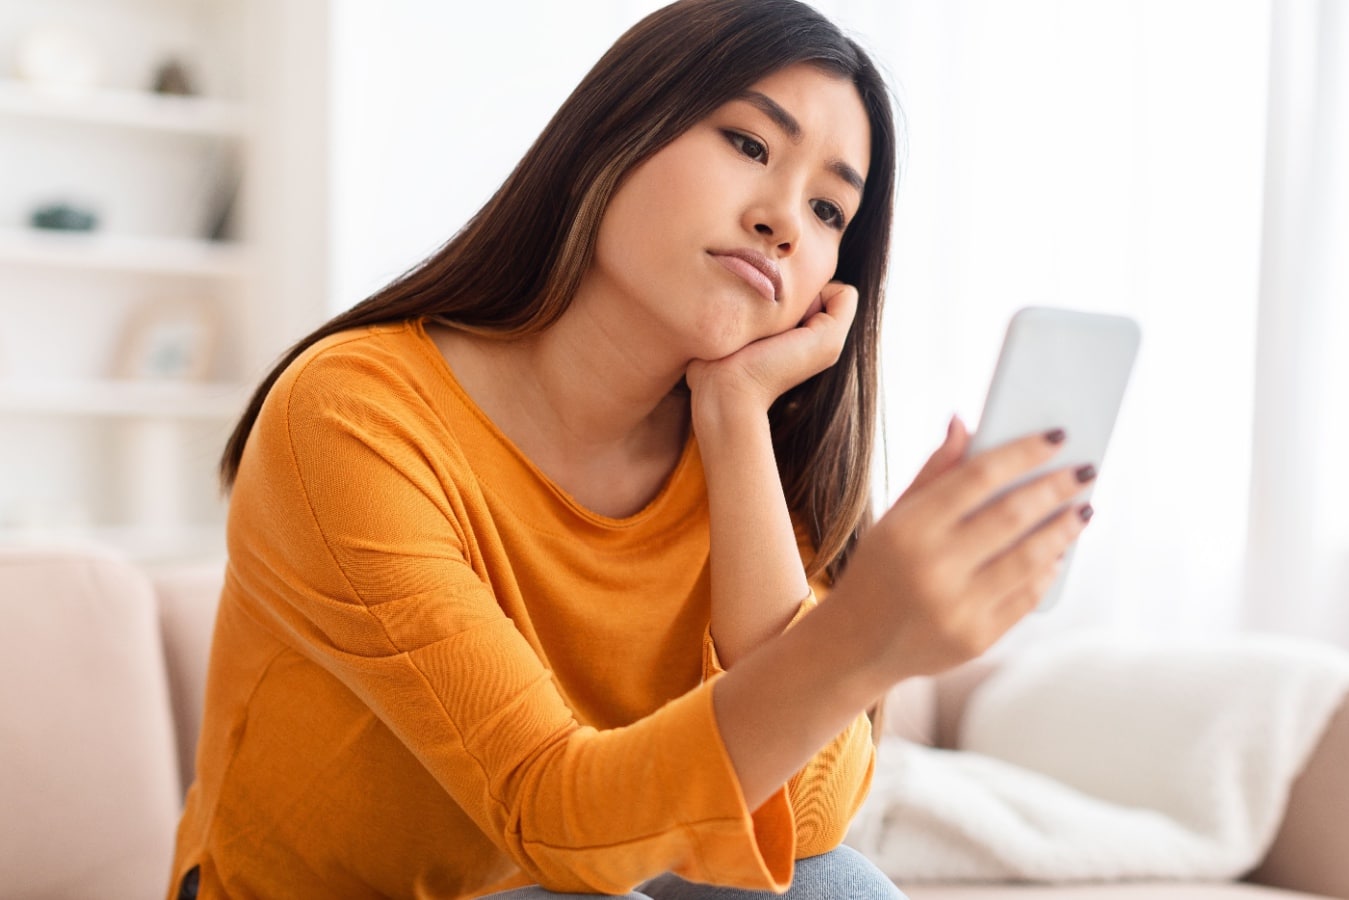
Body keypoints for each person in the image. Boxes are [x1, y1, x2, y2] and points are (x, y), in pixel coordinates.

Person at [167, 1, 1096, 897]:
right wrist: (864, 640)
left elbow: (803, 826)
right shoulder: (353, 416)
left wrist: (734, 423)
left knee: (828, 888)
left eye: (827, 211)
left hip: (582, 878)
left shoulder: (754, 454)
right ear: (611, 139)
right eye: (747, 144)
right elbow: (550, 813)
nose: (783, 218)